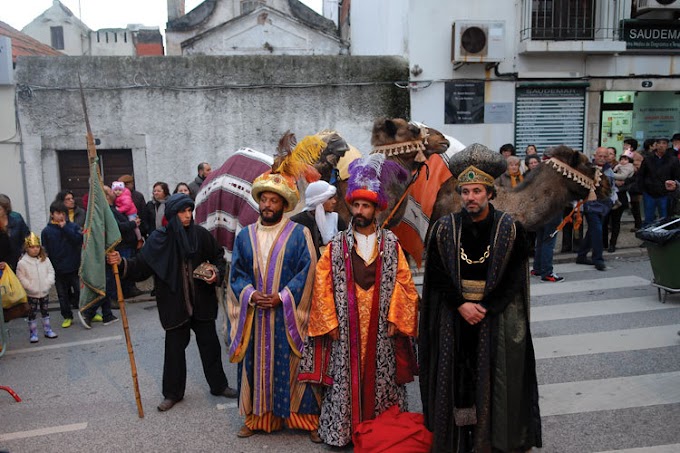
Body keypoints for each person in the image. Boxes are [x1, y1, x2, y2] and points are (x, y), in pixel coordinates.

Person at [419, 143, 541, 453]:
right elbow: (436, 274)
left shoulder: (511, 229)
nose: (470, 197)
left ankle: (492, 439)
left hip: (494, 315)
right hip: (454, 314)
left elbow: (514, 278)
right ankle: (457, 440)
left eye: (477, 191)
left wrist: (484, 307)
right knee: (456, 377)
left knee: (493, 380)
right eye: (466, 191)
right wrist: (461, 304)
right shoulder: (444, 229)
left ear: (489, 193)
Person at [301, 154, 419, 448]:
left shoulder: (391, 243)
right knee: (345, 381)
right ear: (350, 206)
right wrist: (329, 322)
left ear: (376, 208)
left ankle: (380, 432)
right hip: (346, 327)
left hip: (381, 327)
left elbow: (405, 284)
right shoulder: (336, 245)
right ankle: (343, 432)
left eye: (366, 205)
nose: (360, 210)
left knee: (382, 380)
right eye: (356, 205)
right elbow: (322, 285)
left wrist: (397, 319)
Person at [107, 193, 237, 412]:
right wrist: (120, 263)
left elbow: (217, 256)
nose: (188, 216)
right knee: (174, 351)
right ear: (172, 215)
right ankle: (173, 393)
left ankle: (219, 385)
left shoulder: (200, 235)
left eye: (189, 211)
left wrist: (215, 272)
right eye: (182, 212)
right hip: (175, 305)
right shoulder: (159, 240)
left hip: (202, 303)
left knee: (210, 346)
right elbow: (140, 267)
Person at [227, 170, 321, 441]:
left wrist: (282, 297)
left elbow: (308, 271)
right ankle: (257, 419)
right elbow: (237, 273)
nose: (267, 205)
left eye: (274, 200)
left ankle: (306, 421)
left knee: (294, 366)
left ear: (284, 204)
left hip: (288, 317)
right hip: (255, 317)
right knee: (255, 367)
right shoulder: (244, 236)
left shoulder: (299, 233)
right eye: (264, 199)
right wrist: (251, 295)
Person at [41, 201, 84, 328]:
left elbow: (78, 240)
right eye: (58, 213)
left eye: (63, 213)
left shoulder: (72, 226)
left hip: (73, 266)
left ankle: (88, 312)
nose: (61, 216)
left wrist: (65, 227)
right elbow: (45, 251)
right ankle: (67, 316)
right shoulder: (47, 231)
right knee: (62, 295)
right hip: (58, 269)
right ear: (52, 214)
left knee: (79, 291)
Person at [16, 233, 58, 343]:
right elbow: (21, 277)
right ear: (27, 248)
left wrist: (48, 283)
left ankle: (47, 329)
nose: (35, 249)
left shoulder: (45, 259)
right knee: (32, 312)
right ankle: (33, 333)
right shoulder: (22, 263)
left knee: (45, 311)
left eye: (37, 247)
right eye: (32, 247)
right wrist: (29, 287)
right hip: (31, 293)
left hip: (44, 290)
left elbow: (51, 271)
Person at [577, 147, 613, 271]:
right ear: (595, 155)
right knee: (597, 231)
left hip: (604, 205)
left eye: (605, 156)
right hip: (591, 205)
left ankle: (581, 255)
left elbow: (612, 186)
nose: (602, 158)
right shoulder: (588, 168)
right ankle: (598, 259)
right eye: (600, 156)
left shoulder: (609, 169)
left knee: (592, 231)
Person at [290, 180, 347, 258]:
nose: (334, 201)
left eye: (334, 198)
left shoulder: (336, 219)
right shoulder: (296, 222)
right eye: (329, 198)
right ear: (319, 201)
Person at [637, 137, 680, 226]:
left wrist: (674, 186)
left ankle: (663, 236)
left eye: (664, 143)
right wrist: (641, 190)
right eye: (659, 143)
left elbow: (677, 176)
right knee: (648, 217)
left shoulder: (673, 160)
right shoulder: (648, 159)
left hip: (665, 192)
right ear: (655, 145)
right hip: (649, 192)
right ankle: (648, 236)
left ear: (667, 146)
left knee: (664, 218)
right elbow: (641, 175)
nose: (661, 145)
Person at [607, 150, 635, 252]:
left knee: (615, 221)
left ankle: (612, 244)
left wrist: (624, 182)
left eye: (611, 154)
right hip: (606, 196)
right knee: (604, 221)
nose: (608, 156)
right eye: (622, 159)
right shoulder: (606, 166)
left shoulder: (628, 168)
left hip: (620, 196)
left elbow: (631, 179)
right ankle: (603, 243)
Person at [0, 194, 30, 272]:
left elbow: (27, 238)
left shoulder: (17, 219)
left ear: (5, 209)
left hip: (18, 262)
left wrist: (24, 255)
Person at [112, 181, 142, 246]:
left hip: (131, 213)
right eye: (116, 190)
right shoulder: (119, 197)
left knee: (135, 225)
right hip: (127, 213)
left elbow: (127, 206)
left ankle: (139, 238)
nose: (117, 192)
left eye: (119, 190)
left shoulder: (125, 197)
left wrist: (119, 210)